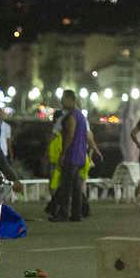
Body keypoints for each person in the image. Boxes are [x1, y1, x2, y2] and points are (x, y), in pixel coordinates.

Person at [49, 89, 101, 222]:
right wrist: (96, 149)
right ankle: (77, 214)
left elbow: (70, 135)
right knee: (77, 187)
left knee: (66, 186)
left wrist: (63, 153)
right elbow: (88, 136)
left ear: (70, 99)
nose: (61, 101)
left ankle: (63, 214)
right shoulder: (81, 116)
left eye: (63, 99)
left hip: (72, 156)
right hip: (80, 156)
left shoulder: (72, 116)